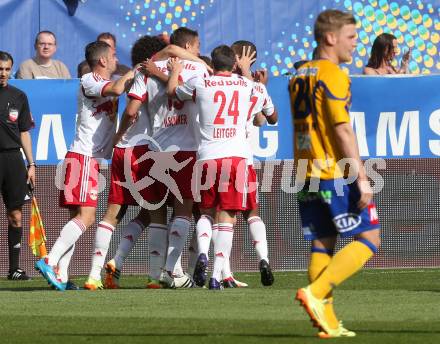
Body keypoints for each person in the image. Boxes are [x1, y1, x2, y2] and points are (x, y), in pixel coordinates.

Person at [289, 9, 381, 338]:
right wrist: (360, 176)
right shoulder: (333, 74)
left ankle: (326, 320)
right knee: (370, 238)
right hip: (333, 170)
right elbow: (342, 129)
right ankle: (315, 294)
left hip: (304, 169)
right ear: (331, 38)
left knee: (322, 243)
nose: (356, 44)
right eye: (352, 37)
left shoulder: (300, 74)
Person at [105, 28, 210, 290]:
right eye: (196, 46)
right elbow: (184, 91)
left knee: (156, 215)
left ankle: (155, 275)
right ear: (187, 45)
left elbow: (132, 110)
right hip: (187, 148)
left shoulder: (145, 70)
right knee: (185, 211)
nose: (197, 52)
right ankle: (173, 271)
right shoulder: (198, 69)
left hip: (156, 150)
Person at [34, 41, 134, 291]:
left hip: (88, 159)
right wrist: (135, 71)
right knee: (87, 218)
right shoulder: (89, 80)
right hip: (83, 158)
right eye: (112, 56)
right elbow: (118, 88)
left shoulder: (101, 82)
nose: (115, 59)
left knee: (77, 219)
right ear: (102, 61)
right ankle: (50, 259)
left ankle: (62, 275)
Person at [167, 45, 255, 289]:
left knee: (206, 212)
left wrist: (175, 70)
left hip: (207, 156)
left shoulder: (201, 83)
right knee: (227, 217)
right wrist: (246, 71)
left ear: (212, 64)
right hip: (236, 157)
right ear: (234, 64)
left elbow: (173, 92)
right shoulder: (245, 84)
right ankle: (217, 275)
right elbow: (260, 100)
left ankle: (203, 253)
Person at [0, 51, 35, 280]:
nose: (2, 73)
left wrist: (31, 164)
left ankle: (14, 270)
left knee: (16, 215)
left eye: (6, 69)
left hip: (13, 160)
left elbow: (24, 132)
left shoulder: (19, 96)